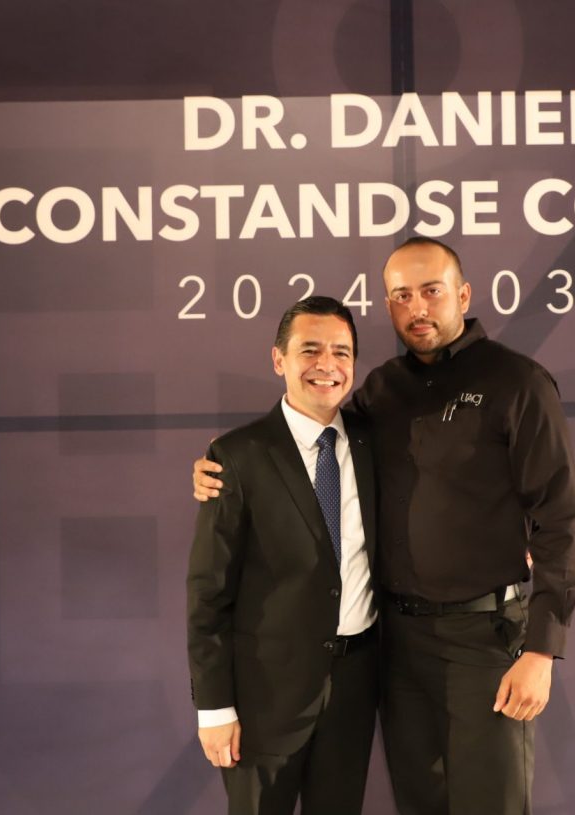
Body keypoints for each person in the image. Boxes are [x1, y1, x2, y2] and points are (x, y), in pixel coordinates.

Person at [194, 238, 575, 815]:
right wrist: (227, 462)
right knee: (419, 802)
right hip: (396, 647)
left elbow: (562, 521)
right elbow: (306, 438)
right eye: (402, 296)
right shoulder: (382, 389)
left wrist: (542, 651)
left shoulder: (518, 383)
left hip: (485, 642)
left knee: (491, 804)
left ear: (463, 295)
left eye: (431, 291)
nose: (417, 308)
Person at [186, 296, 379, 815]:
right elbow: (208, 594)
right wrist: (213, 708)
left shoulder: (374, 443)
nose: (326, 364)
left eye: (341, 352)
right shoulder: (237, 457)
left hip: (354, 690)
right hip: (262, 702)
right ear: (279, 360)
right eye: (309, 350)